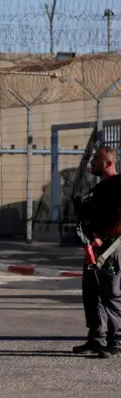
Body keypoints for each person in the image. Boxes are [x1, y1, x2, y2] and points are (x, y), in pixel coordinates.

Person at [73, 145, 121, 358]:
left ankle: (116, 341)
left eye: (96, 160)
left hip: (111, 248)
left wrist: (106, 237)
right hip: (94, 248)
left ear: (109, 163)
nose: (92, 163)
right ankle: (96, 339)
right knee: (91, 294)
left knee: (111, 294)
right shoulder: (98, 189)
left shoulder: (119, 185)